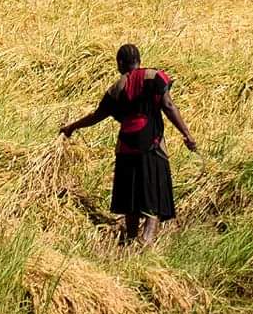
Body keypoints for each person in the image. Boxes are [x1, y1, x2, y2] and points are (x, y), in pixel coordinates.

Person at [60, 44, 197, 246]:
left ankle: (131, 239)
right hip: (152, 144)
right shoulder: (155, 77)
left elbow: (97, 116)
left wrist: (72, 127)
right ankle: (146, 239)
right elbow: (168, 106)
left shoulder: (117, 87)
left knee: (130, 195)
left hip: (126, 147)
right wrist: (187, 134)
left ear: (120, 63)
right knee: (154, 192)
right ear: (138, 60)